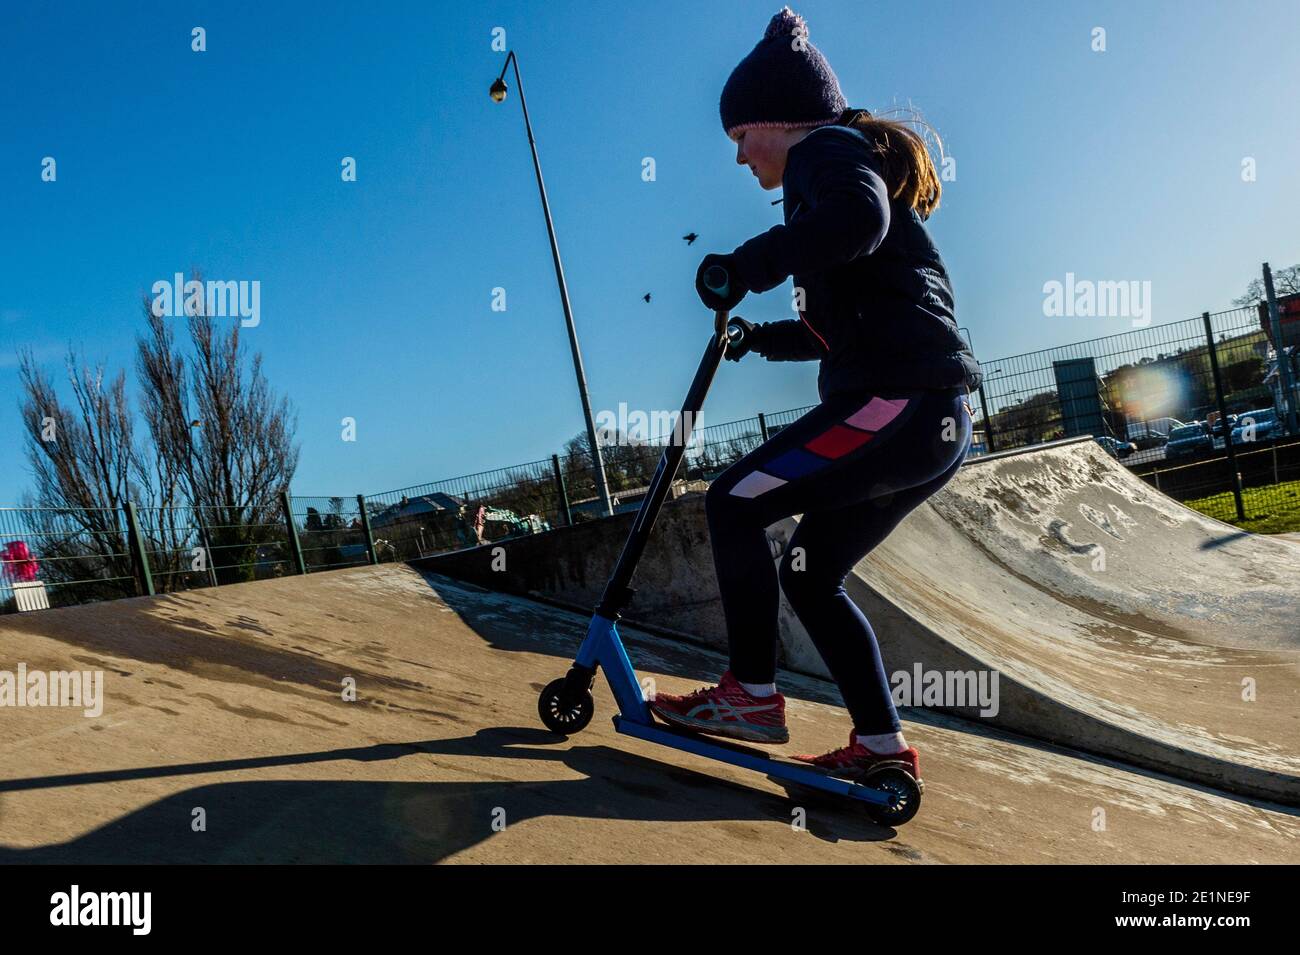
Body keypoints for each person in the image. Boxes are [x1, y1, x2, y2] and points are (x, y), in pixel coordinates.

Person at [650, 7, 982, 787]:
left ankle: (752, 695)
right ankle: (879, 745)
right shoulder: (826, 180)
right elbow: (842, 318)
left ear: (776, 121)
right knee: (808, 572)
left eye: (739, 138)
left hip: (900, 401)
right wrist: (760, 336)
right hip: (923, 415)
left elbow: (860, 220)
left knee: (732, 501)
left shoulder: (825, 153)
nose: (739, 158)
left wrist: (747, 263)